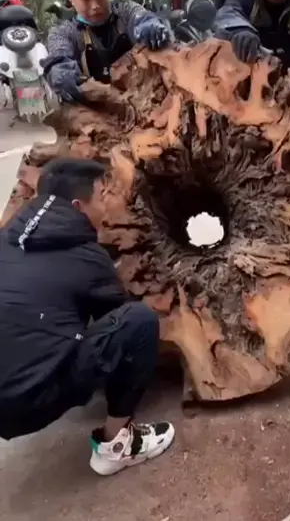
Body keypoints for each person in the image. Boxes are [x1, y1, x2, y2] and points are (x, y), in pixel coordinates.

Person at [0, 158, 175, 475]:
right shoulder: (87, 257)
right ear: (78, 206)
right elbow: (118, 321)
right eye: (102, 196)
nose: (107, 206)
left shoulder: (7, 238)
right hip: (28, 404)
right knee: (138, 321)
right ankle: (116, 446)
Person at [43, 0, 171, 103]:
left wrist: (151, 27)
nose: (95, 6)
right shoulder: (64, 33)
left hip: (143, 98)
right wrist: (61, 74)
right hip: (96, 108)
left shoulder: (126, 11)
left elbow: (143, 18)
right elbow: (58, 59)